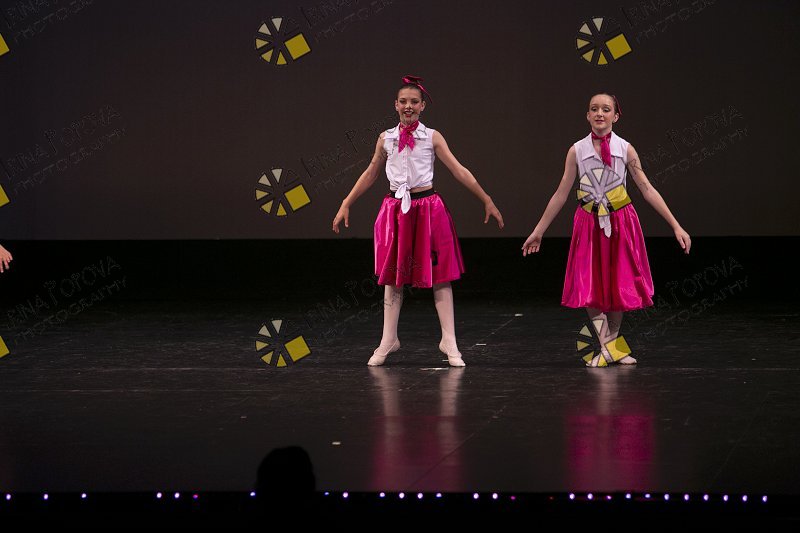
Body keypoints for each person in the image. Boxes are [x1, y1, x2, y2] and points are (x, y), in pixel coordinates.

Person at [333, 75, 504, 367]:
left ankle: (449, 340)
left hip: (428, 209)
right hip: (396, 211)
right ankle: (389, 339)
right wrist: (346, 202)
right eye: (403, 101)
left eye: (414, 101)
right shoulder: (386, 138)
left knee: (440, 275)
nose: (408, 106)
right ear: (395, 105)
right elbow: (371, 173)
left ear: (423, 106)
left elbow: (458, 169)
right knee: (393, 276)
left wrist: (486, 198)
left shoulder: (432, 137)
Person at [522, 93, 691, 366]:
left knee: (617, 283)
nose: (600, 113)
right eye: (594, 109)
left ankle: (610, 348)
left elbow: (646, 189)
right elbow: (561, 193)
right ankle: (609, 347)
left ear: (616, 116)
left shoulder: (626, 149)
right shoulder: (577, 150)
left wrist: (676, 225)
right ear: (588, 115)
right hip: (588, 222)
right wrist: (539, 230)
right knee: (590, 284)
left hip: (621, 220)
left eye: (606, 109)